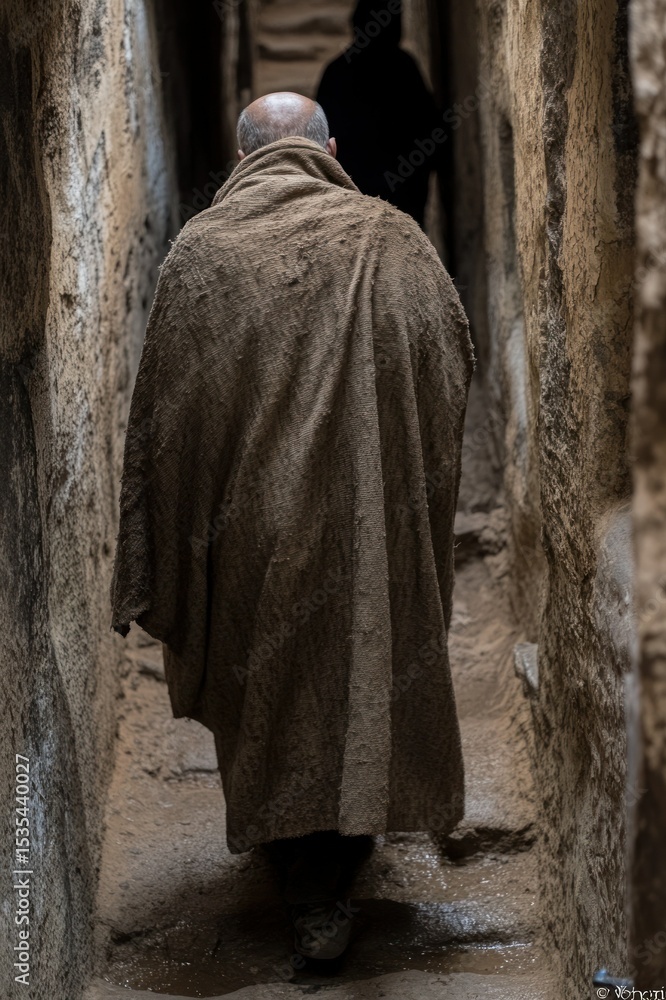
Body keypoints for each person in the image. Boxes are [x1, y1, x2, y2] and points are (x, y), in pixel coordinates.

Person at [111, 92, 473, 966]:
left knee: (269, 693)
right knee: (358, 670)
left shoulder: (199, 256)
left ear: (240, 162)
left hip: (250, 542)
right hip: (365, 523)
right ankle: (336, 859)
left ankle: (305, 873)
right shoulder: (390, 239)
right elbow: (448, 363)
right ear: (331, 149)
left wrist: (187, 532)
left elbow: (162, 425)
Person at [316, 0, 439, 227]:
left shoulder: (337, 72)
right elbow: (430, 126)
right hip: (401, 192)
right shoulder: (403, 68)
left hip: (358, 192)